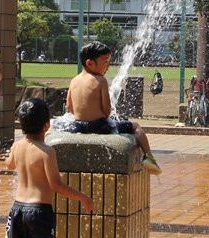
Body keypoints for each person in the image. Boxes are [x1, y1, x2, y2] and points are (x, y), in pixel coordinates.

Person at [4, 98, 94, 238]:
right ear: (47, 125)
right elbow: (56, 185)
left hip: (17, 209)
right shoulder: (47, 152)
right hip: (38, 210)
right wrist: (82, 196)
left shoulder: (17, 146)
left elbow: (9, 165)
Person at [66, 42, 161, 174]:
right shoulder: (100, 80)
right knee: (136, 127)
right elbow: (106, 111)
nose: (108, 67)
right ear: (90, 63)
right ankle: (149, 157)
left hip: (78, 126)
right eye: (105, 62)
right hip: (99, 126)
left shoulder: (74, 80)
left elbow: (69, 107)